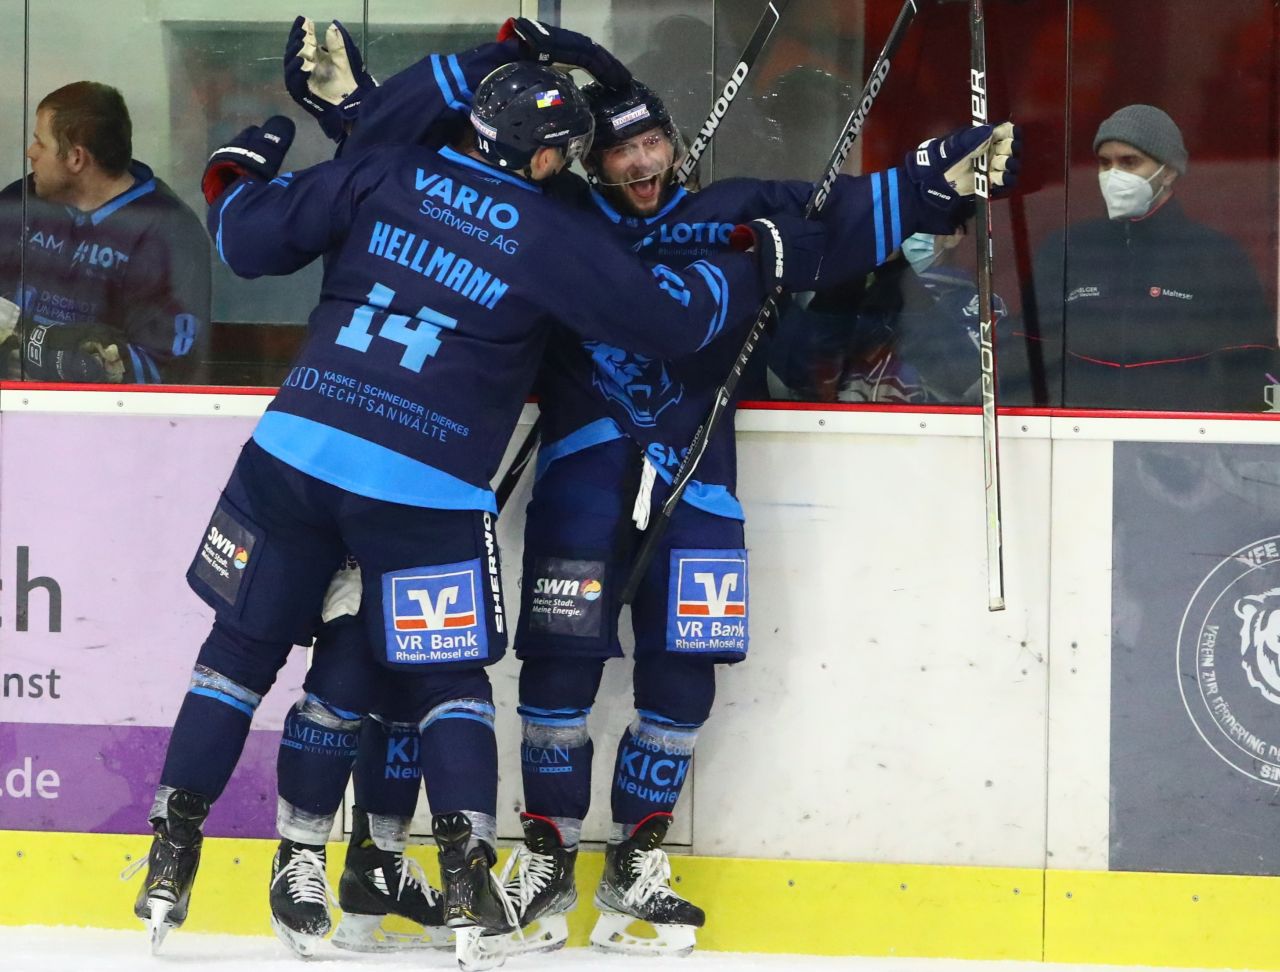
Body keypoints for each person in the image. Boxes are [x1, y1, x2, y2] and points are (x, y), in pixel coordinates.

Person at [292, 18, 1020, 958]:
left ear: (673, 139)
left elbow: (840, 219)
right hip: (583, 480)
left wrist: (934, 176)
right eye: (615, 150)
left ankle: (636, 863)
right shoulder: (551, 222)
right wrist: (354, 110)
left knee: (684, 671)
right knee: (560, 670)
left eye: (649, 142)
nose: (638, 162)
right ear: (582, 162)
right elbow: (439, 180)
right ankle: (545, 857)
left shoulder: (734, 209)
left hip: (700, 484)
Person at [130, 54, 825, 972]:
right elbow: (672, 326)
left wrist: (235, 169)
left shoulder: (390, 169)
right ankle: (466, 885)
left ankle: (171, 859)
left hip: (294, 455)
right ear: (544, 161)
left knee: (236, 656)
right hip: (418, 483)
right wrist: (754, 260)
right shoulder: (550, 233)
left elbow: (247, 242)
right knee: (447, 680)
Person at [1008, 104, 1275, 411]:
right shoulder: (1065, 249)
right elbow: (1026, 360)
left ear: (1169, 171)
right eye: (1105, 163)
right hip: (1078, 439)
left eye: (1129, 162)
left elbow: (1251, 369)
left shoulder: (1215, 256)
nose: (1113, 175)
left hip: (1183, 442)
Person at [0, 82, 210, 383]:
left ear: (76, 157)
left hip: (103, 422)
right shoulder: (19, 202)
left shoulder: (167, 232)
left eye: (40, 143)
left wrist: (52, 358)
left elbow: (168, 369)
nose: (30, 152)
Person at [768, 225, 1008, 404]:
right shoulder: (861, 295)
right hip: (841, 441)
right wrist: (846, 277)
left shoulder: (982, 306)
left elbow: (969, 382)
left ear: (954, 233)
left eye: (917, 222)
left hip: (928, 450)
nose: (902, 234)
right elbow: (793, 376)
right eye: (894, 225)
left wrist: (899, 277)